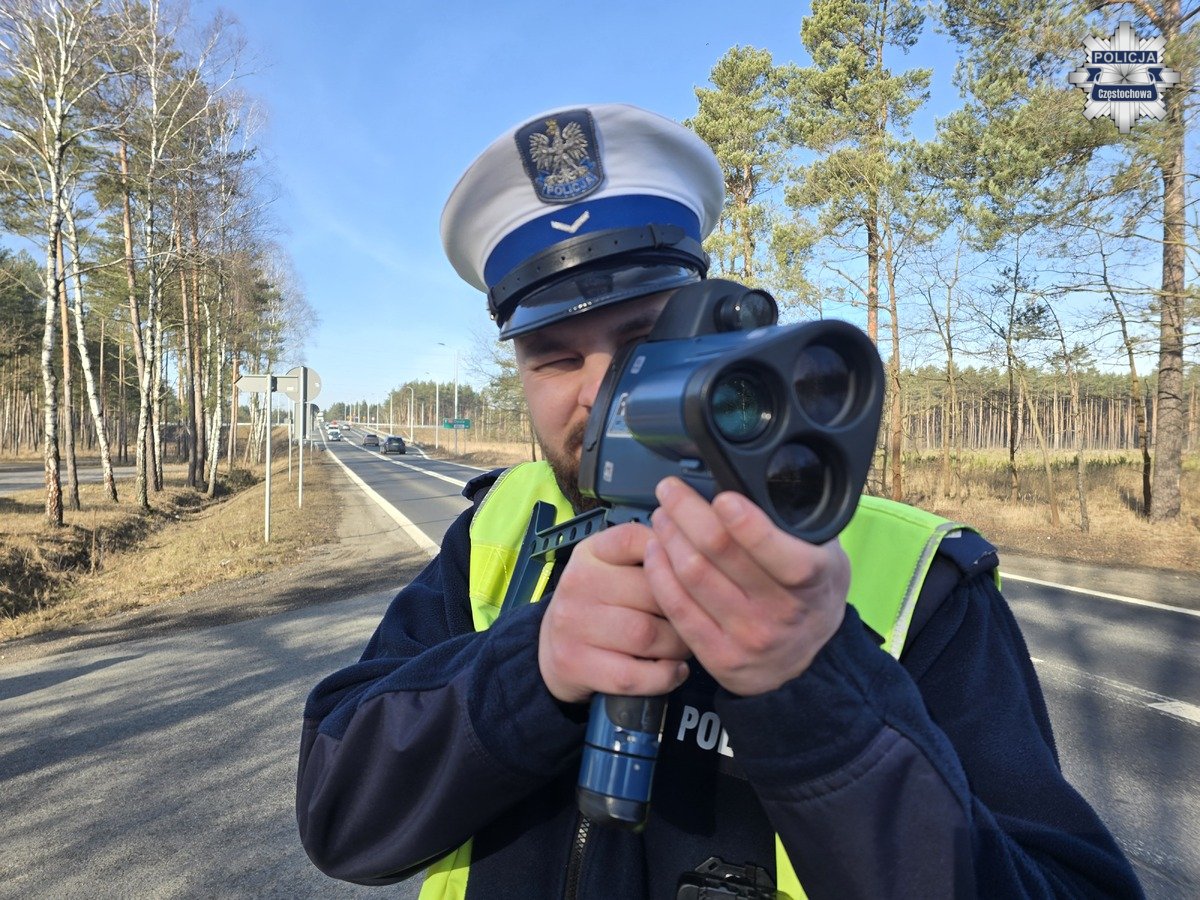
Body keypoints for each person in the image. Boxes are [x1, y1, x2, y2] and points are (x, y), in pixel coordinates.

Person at [296, 103, 1142, 899]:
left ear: (726, 339)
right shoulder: (497, 530)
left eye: (641, 342)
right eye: (554, 358)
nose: (599, 393)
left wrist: (811, 693)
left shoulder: (920, 583)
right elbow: (340, 818)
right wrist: (530, 670)